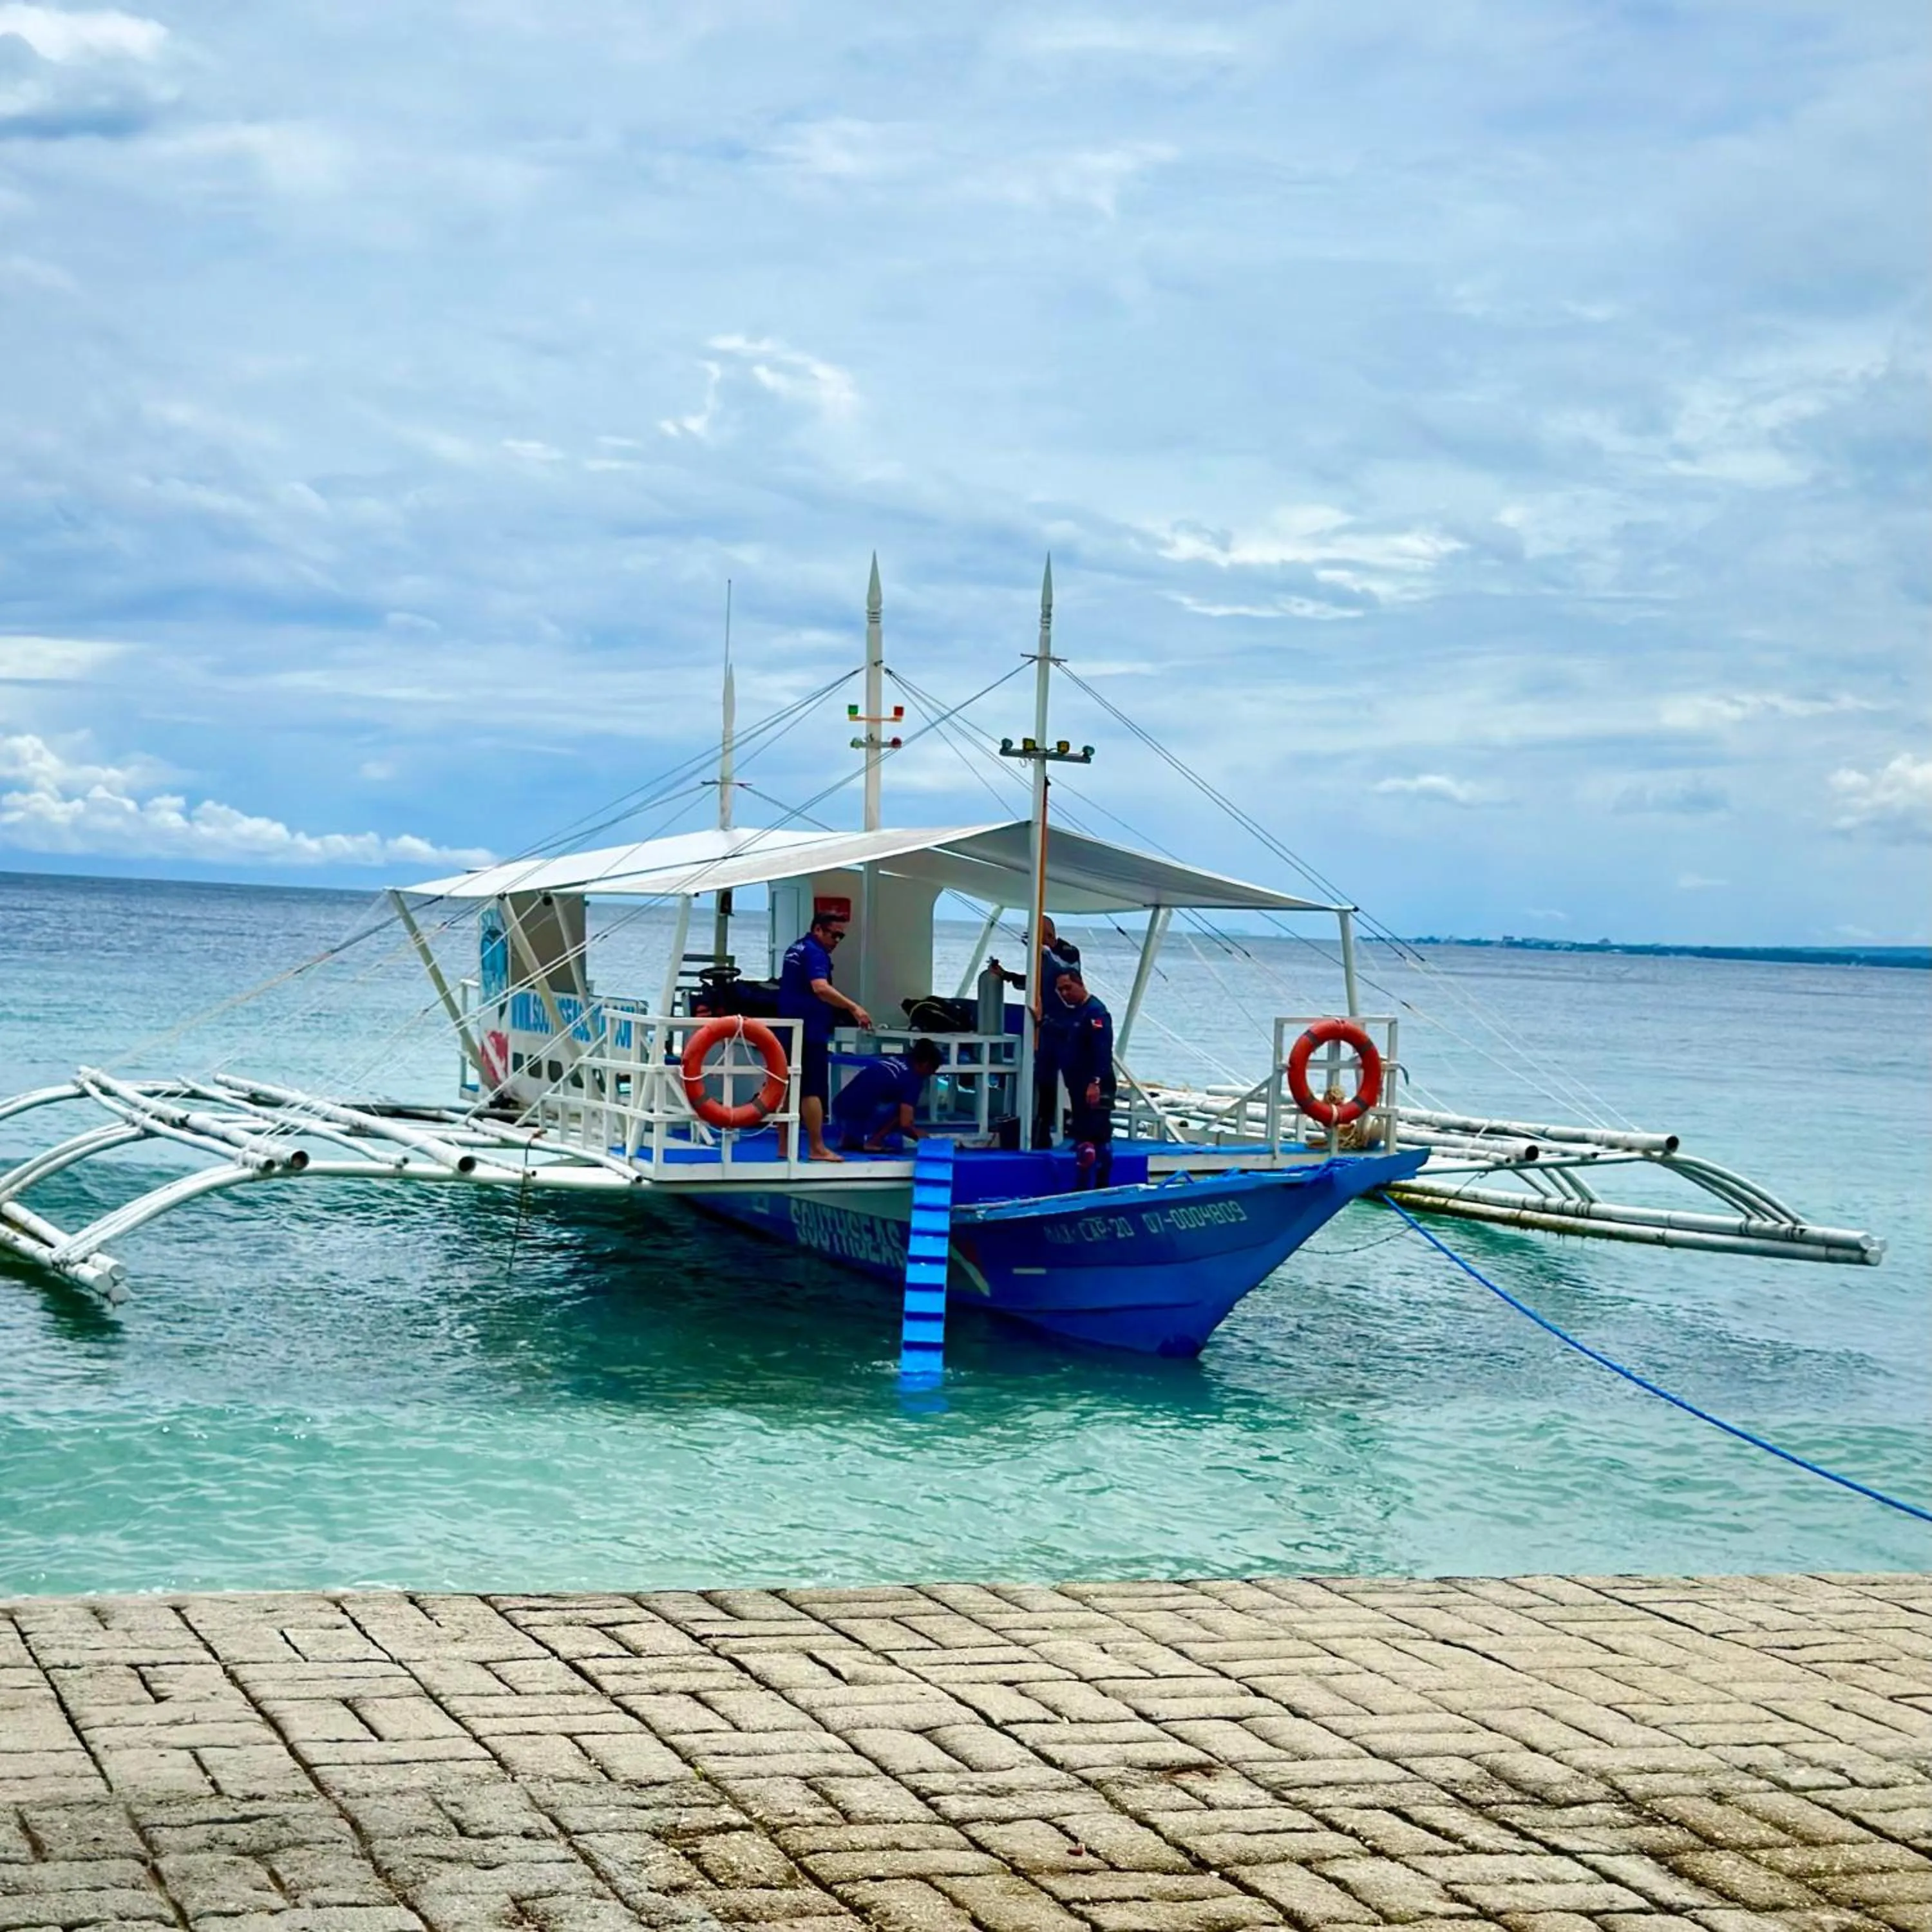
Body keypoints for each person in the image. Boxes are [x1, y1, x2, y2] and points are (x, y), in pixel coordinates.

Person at [777, 910, 873, 1161]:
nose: (837, 942)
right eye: (835, 935)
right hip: (809, 1031)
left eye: (841, 937)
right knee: (812, 1090)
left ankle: (784, 1146)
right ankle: (817, 1147)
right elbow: (820, 987)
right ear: (818, 930)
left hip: (789, 1027)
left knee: (788, 1087)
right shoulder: (815, 952)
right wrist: (853, 1007)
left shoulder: (794, 948)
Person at [989, 916, 1082, 1148]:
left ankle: (1071, 1122)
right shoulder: (1043, 958)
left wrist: (1041, 949)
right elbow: (1033, 982)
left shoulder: (1068, 952)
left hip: (1068, 1024)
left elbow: (1065, 968)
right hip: (1047, 1024)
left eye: (1038, 938)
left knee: (1070, 1076)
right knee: (1045, 1076)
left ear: (1049, 936)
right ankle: (1043, 1127)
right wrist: (1006, 975)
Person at [1053, 967, 1115, 1190]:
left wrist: (1096, 1082)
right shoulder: (1073, 1012)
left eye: (1068, 988)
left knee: (1097, 1136)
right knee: (1082, 1134)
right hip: (1077, 1084)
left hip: (1095, 1085)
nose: (1065, 993)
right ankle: (1082, 1182)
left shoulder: (1096, 1013)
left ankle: (1101, 1184)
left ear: (1080, 984)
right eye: (1061, 990)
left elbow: (1103, 1051)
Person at [831, 1038, 944, 1153]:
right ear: (926, 1065)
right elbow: (906, 1123)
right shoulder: (914, 1080)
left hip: (838, 1109)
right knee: (900, 1112)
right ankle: (873, 1142)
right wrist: (922, 1137)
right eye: (933, 1070)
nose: (932, 1074)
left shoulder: (897, 1059)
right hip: (856, 1114)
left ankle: (848, 1139)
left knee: (870, 1098)